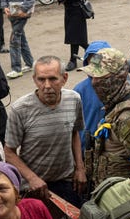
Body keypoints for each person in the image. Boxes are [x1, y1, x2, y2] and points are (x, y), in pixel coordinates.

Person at [5, 56, 86, 207]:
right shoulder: (20, 109)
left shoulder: (74, 99)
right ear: (34, 79)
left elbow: (74, 133)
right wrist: (31, 178)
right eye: (41, 79)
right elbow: (9, 152)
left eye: (53, 79)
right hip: (33, 188)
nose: (47, 85)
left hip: (67, 182)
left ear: (64, 78)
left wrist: (80, 168)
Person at [83, 48, 130, 185]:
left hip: (121, 195)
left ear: (117, 78)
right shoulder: (114, 104)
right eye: (92, 77)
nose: (94, 82)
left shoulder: (128, 117)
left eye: (101, 78)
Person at [0, 0, 36, 79]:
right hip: (12, 15)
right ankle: (30, 62)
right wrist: (4, 6)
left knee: (14, 39)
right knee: (21, 38)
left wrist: (23, 9)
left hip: (23, 14)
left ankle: (16, 68)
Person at [73, 40, 111, 147]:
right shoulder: (79, 90)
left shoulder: (120, 86)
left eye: (100, 59)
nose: (96, 64)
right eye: (91, 59)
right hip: (87, 148)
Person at [55, 0, 88, 71]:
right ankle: (76, 60)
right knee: (74, 36)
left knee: (79, 38)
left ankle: (93, 57)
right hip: (68, 9)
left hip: (78, 9)